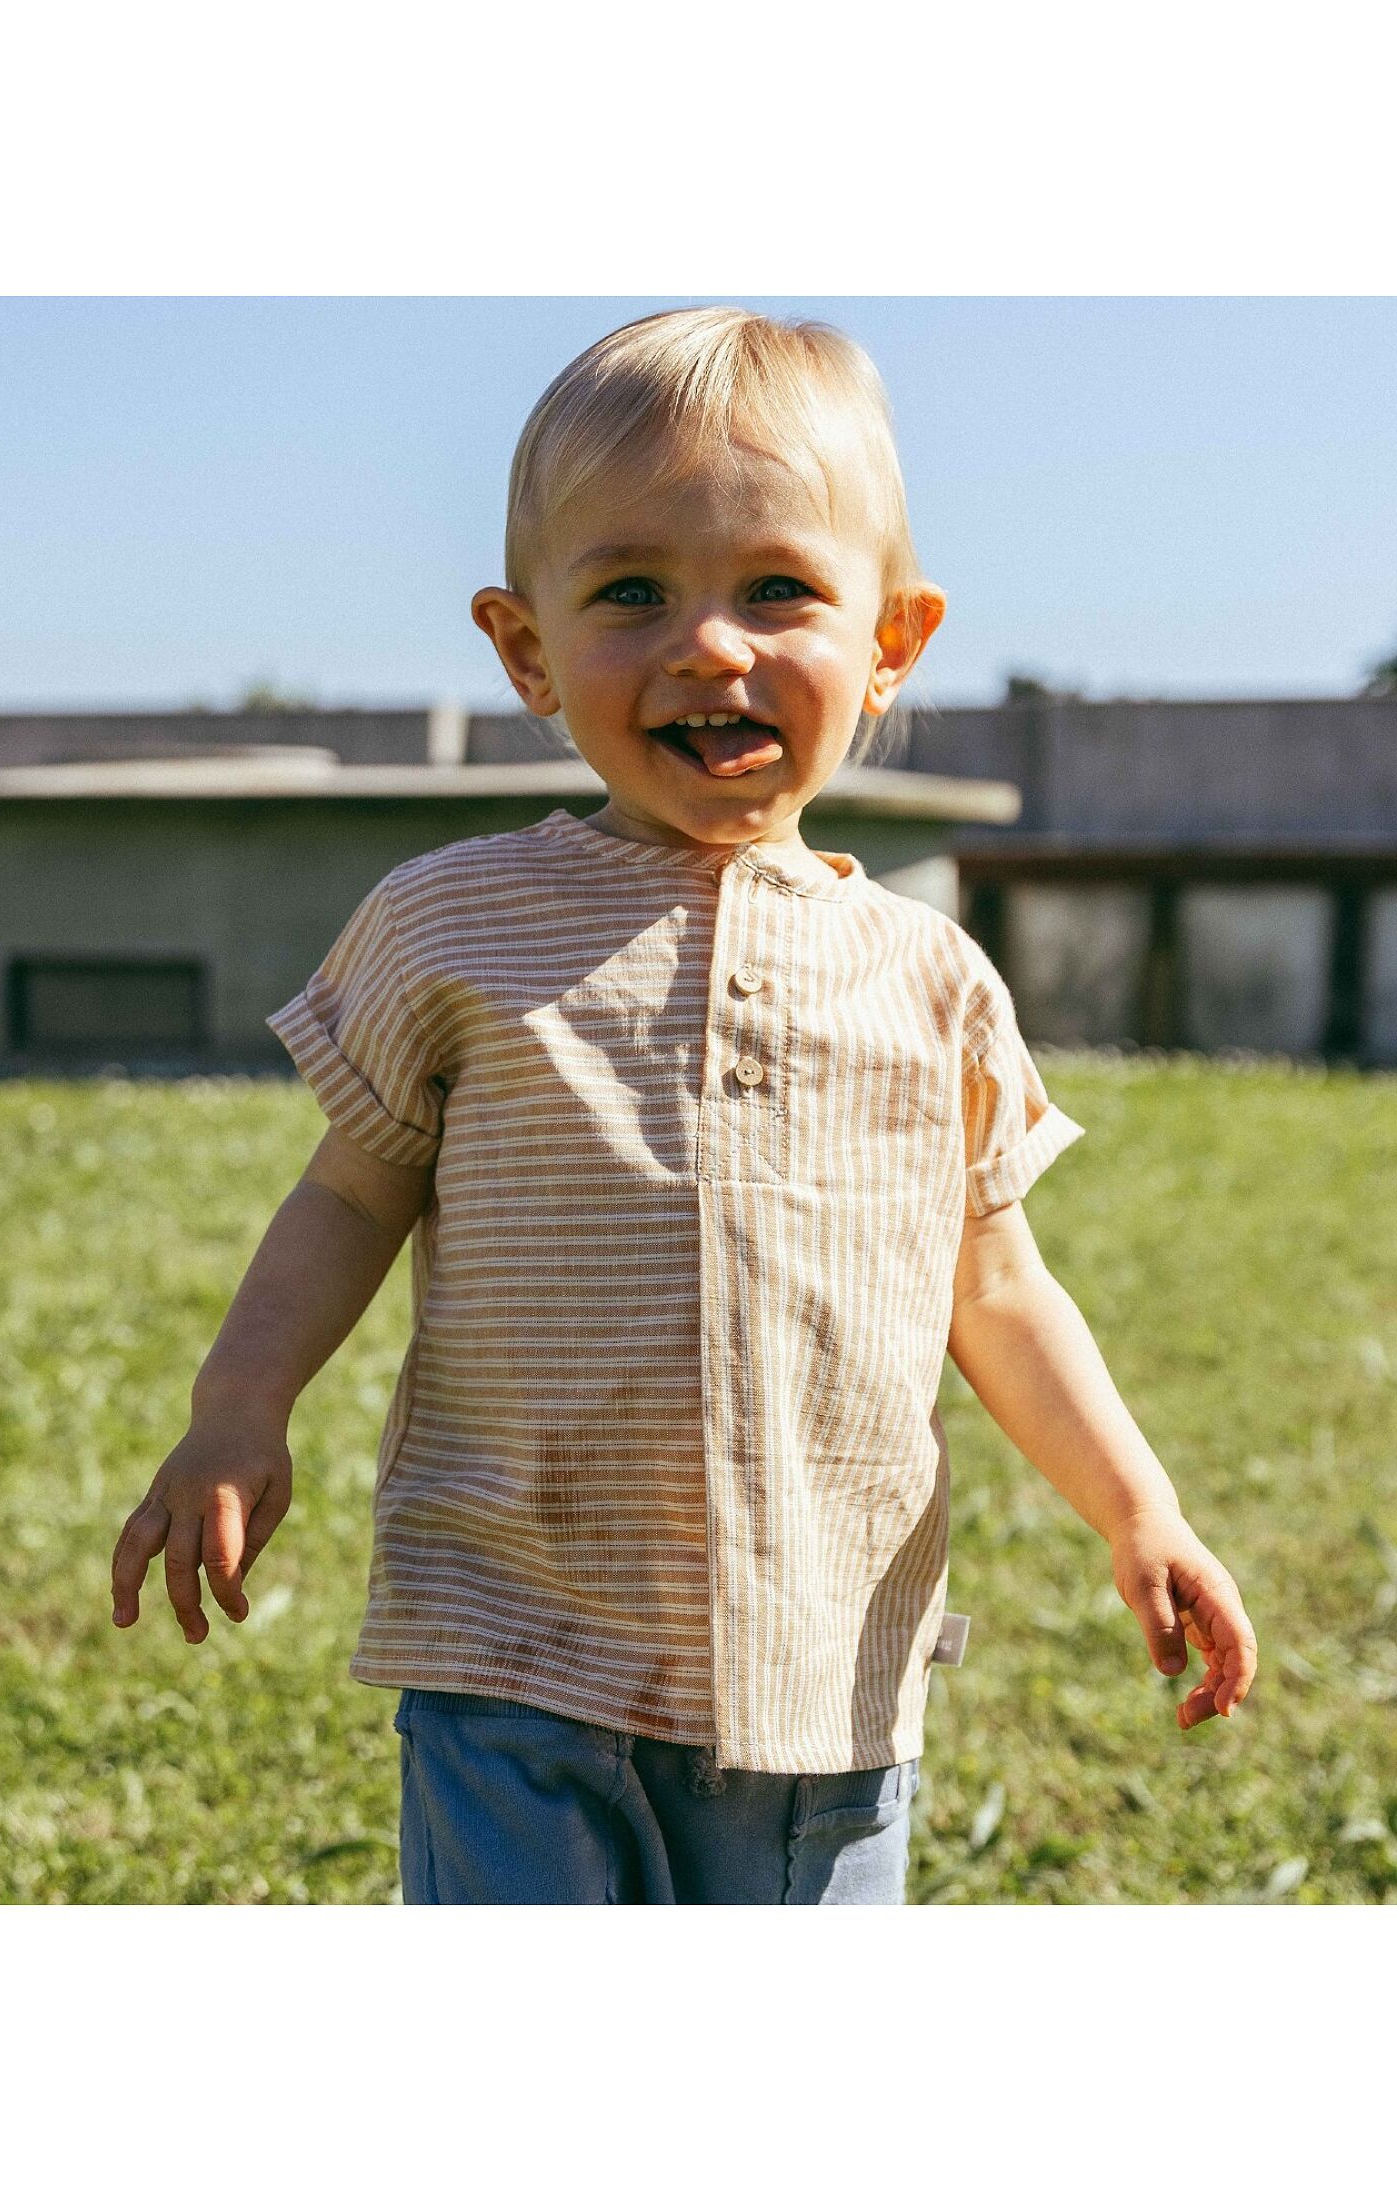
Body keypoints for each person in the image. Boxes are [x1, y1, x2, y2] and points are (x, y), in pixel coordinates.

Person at [110, 306, 1258, 1904]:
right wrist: (238, 1409)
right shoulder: (453, 923)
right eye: (631, 592)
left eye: (778, 588)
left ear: (890, 645)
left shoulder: (933, 985)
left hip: (825, 1679)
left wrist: (1143, 1509)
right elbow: (350, 1194)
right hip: (511, 1642)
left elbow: (995, 1285)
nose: (707, 646)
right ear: (526, 650)